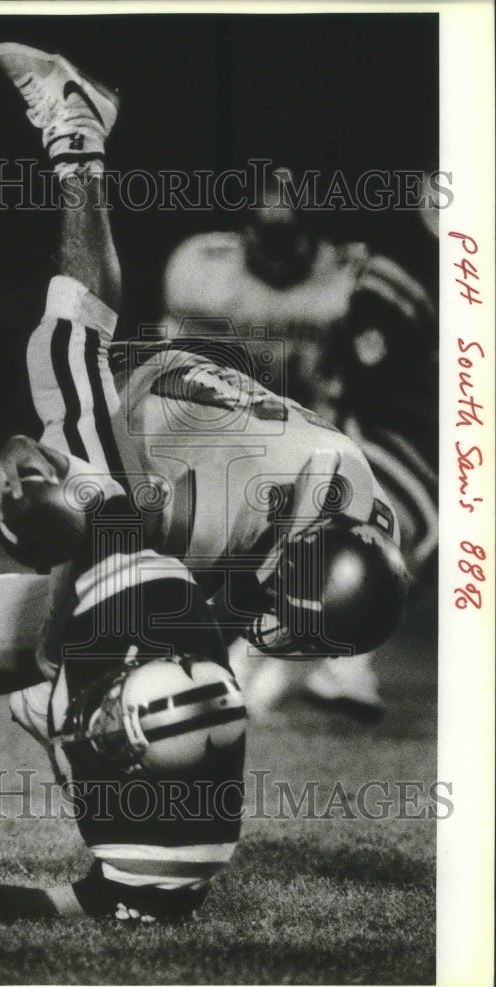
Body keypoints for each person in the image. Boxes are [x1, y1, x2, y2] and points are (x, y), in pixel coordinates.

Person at [0, 42, 409, 919]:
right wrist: (35, 468)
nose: (275, 635)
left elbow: (198, 615)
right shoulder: (242, 509)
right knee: (71, 389)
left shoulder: (345, 539)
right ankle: (77, 134)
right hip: (156, 429)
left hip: (190, 501)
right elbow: (108, 548)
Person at [162, 169, 437, 720]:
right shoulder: (203, 272)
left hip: (316, 434)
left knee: (384, 529)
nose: (280, 251)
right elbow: (174, 373)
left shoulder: (352, 280)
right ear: (244, 232)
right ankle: (226, 661)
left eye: (291, 236)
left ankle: (314, 661)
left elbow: (372, 377)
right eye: (269, 234)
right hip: (228, 435)